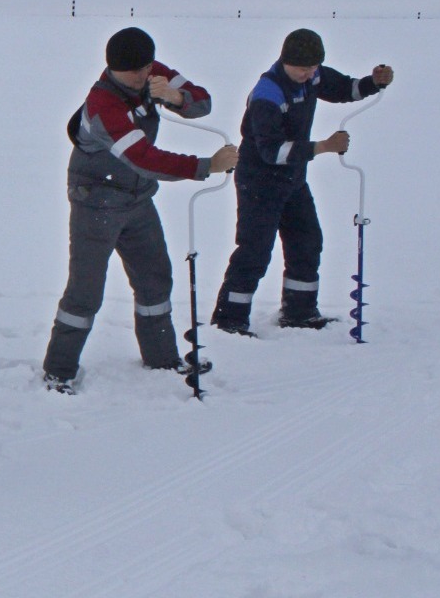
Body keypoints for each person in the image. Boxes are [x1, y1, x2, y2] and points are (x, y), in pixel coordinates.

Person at [41, 27, 238, 394]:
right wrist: (206, 165)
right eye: (133, 72)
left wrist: (175, 96)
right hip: (95, 199)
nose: (142, 77)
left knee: (155, 278)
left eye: (146, 68)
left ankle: (161, 359)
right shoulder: (103, 106)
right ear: (112, 67)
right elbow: (143, 158)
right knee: (85, 292)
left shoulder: (152, 72)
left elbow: (203, 102)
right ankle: (59, 372)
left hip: (136, 197)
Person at [210, 29, 393, 334]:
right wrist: (322, 147)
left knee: (307, 241)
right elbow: (271, 151)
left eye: (312, 68)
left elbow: (345, 88)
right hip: (259, 181)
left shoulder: (313, 76)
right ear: (285, 61)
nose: (308, 74)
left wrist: (375, 82)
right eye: (302, 68)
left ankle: (300, 311)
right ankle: (229, 320)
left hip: (292, 179)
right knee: (255, 250)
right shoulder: (267, 94)